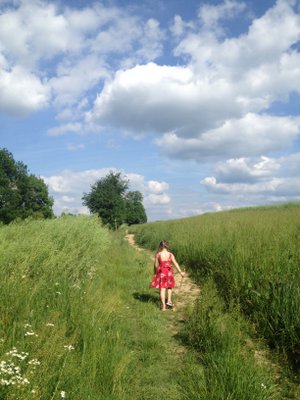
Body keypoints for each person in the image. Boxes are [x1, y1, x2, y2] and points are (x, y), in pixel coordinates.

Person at [150, 240, 185, 311]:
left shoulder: (158, 254)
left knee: (162, 289)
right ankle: (169, 300)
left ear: (160, 246)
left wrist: (155, 273)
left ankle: (163, 306)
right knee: (169, 287)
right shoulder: (170, 254)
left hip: (161, 272)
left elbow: (156, 265)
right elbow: (175, 263)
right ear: (167, 246)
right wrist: (181, 272)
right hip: (169, 272)